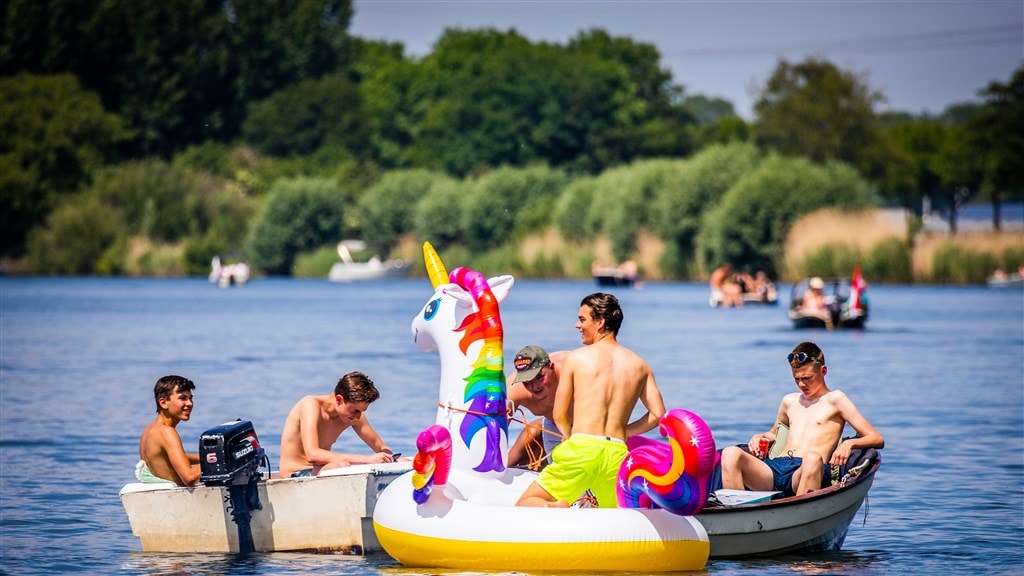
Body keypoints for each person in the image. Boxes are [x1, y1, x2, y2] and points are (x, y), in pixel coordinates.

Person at [516, 293, 667, 508]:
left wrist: (569, 437)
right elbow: (658, 414)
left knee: (526, 503)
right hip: (617, 453)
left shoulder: (577, 358)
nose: (577, 325)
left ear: (600, 322)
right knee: (613, 515)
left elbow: (559, 413)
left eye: (582, 319)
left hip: (582, 448)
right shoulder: (640, 365)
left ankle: (557, 508)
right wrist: (625, 432)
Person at [720, 342, 884, 497]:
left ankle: (798, 511)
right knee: (730, 453)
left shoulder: (836, 399)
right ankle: (737, 511)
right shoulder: (789, 401)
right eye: (796, 378)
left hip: (806, 469)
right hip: (776, 467)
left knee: (812, 457)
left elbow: (876, 438)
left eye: (807, 378)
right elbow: (774, 434)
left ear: (823, 371)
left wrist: (849, 443)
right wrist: (759, 437)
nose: (801, 384)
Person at [278, 371, 398, 478]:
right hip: (295, 474)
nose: (358, 417)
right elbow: (312, 454)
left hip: (321, 471)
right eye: (355, 410)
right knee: (341, 466)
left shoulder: (353, 416)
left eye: (362, 411)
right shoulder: (310, 405)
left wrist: (390, 458)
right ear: (339, 399)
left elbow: (381, 447)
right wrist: (367, 459)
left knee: (402, 461)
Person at [505, 345, 569, 469]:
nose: (534, 386)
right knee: (559, 470)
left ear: (551, 366)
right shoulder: (514, 390)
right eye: (527, 381)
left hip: (587, 423)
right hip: (553, 424)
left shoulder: (572, 371)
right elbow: (493, 433)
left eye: (539, 377)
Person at [137, 375, 201, 486]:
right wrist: (219, 460)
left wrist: (206, 457)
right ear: (163, 403)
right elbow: (189, 477)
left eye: (190, 398)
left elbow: (166, 457)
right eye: (183, 398)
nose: (190, 403)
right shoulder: (166, 432)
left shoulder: (149, 429)